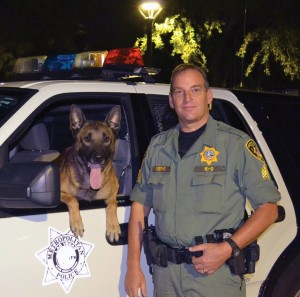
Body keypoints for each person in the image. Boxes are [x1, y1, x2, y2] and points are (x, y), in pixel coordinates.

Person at [125, 64, 280, 297]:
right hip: (166, 277)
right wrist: (132, 266)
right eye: (179, 91)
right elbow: (139, 207)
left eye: (195, 90)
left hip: (214, 276)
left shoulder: (235, 145)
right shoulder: (158, 146)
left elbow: (269, 209)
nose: (187, 98)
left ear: (209, 96)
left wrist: (228, 249)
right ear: (171, 100)